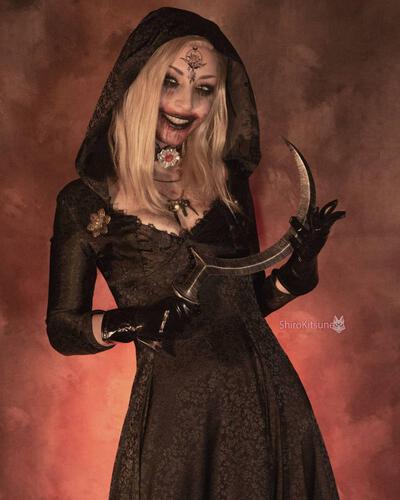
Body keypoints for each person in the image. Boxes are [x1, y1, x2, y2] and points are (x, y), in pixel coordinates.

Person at [46, 7, 345, 499]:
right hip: (175, 419)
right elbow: (62, 327)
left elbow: (249, 303)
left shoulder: (228, 186)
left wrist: (299, 268)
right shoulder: (85, 202)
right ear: (139, 81)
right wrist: (134, 322)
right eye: (171, 82)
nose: (186, 104)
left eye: (204, 89)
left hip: (268, 400)